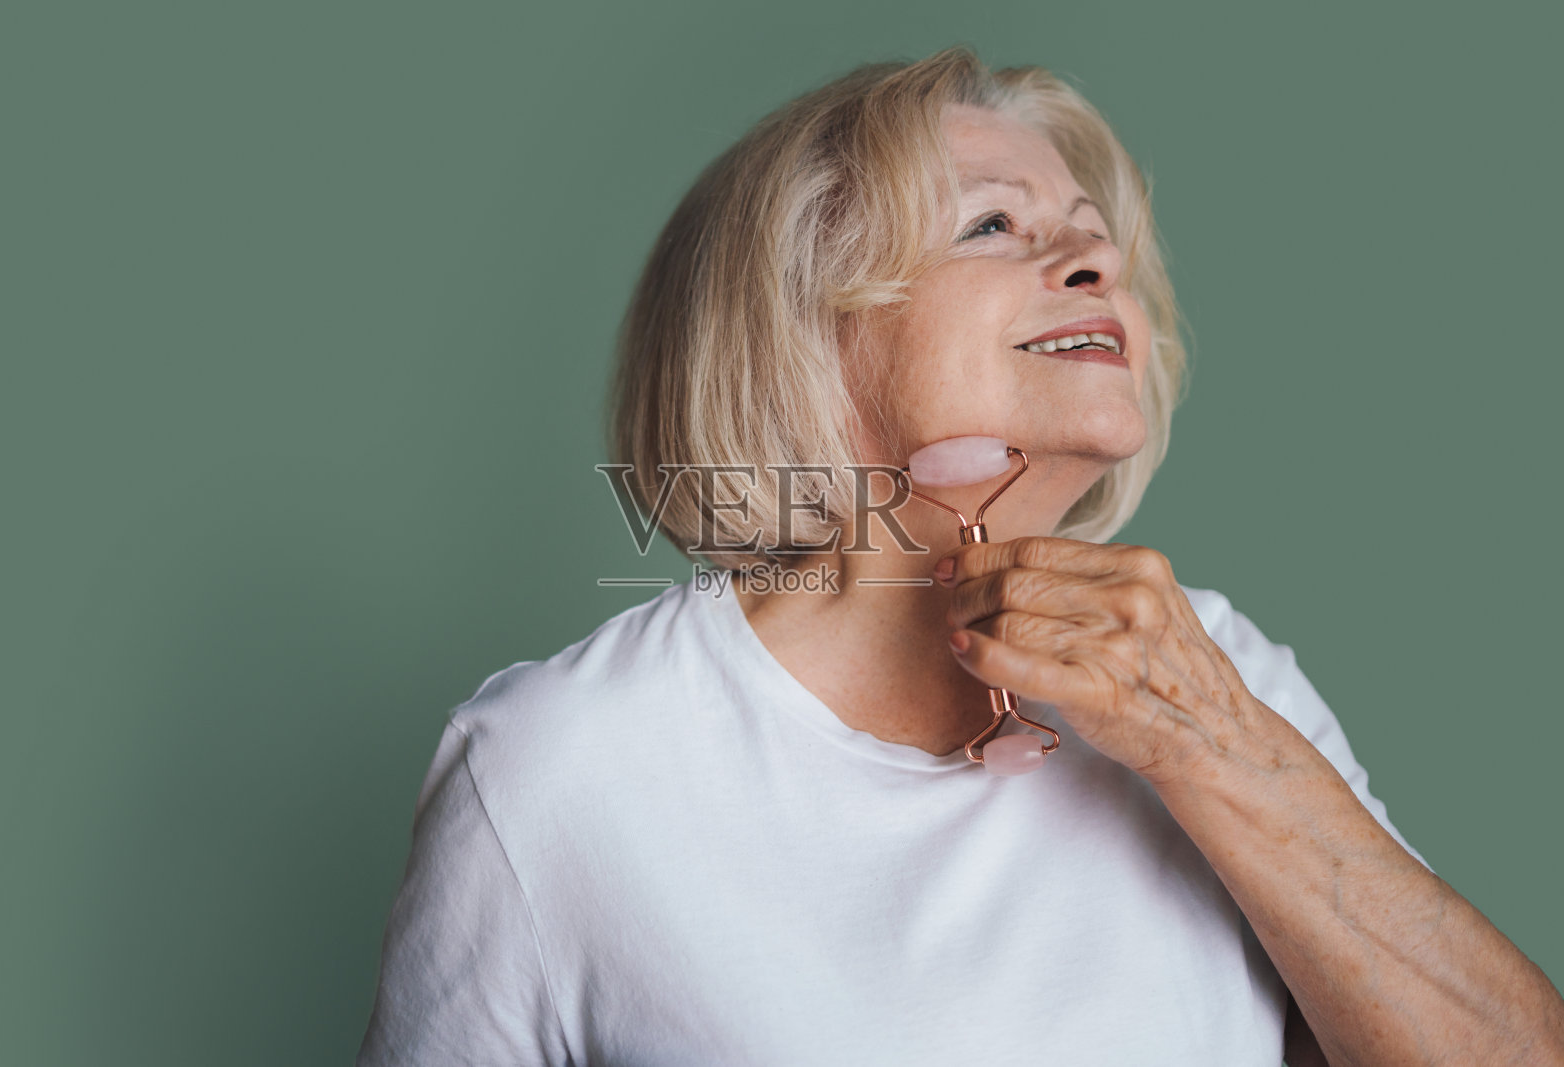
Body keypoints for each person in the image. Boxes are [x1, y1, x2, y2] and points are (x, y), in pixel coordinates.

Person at [356, 46, 1564, 1065]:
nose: (1096, 268)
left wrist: (1220, 747)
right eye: (994, 224)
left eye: (1097, 246)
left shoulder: (1215, 669)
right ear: (805, 331)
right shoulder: (557, 771)